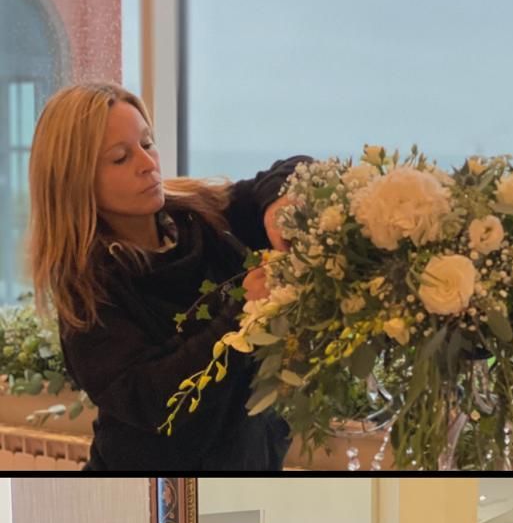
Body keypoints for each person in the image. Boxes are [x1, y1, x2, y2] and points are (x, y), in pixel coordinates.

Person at [27, 81, 310, 471]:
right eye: (120, 158)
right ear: (77, 180)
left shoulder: (203, 217)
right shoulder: (87, 292)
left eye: (147, 143)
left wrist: (278, 206)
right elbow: (153, 399)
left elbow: (295, 170)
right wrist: (242, 316)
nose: (148, 164)